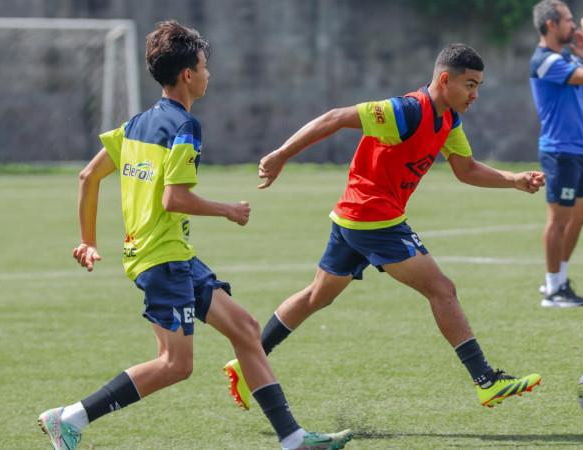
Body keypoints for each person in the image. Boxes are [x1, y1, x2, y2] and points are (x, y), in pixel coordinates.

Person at [37, 21, 353, 450]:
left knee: (244, 328)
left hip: (173, 255)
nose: (209, 74)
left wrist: (88, 239)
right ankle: (69, 417)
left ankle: (293, 440)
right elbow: (174, 199)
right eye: (205, 66)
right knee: (175, 364)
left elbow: (88, 176)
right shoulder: (185, 127)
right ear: (188, 74)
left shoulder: (136, 125)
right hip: (160, 259)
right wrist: (226, 209)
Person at [221, 43, 545, 413]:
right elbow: (335, 117)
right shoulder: (405, 111)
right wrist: (280, 155)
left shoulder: (449, 120)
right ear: (445, 80)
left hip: (352, 217)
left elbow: (466, 169)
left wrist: (514, 179)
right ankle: (486, 381)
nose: (475, 95)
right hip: (374, 217)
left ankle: (249, 361)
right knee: (442, 289)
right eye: (470, 85)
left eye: (478, 86)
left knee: (317, 296)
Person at [530, 0, 583, 307]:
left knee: (582, 212)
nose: (574, 26)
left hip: (579, 149)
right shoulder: (544, 60)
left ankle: (558, 280)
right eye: (568, 20)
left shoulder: (568, 58)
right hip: (559, 151)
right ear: (551, 25)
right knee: (558, 219)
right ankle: (553, 287)